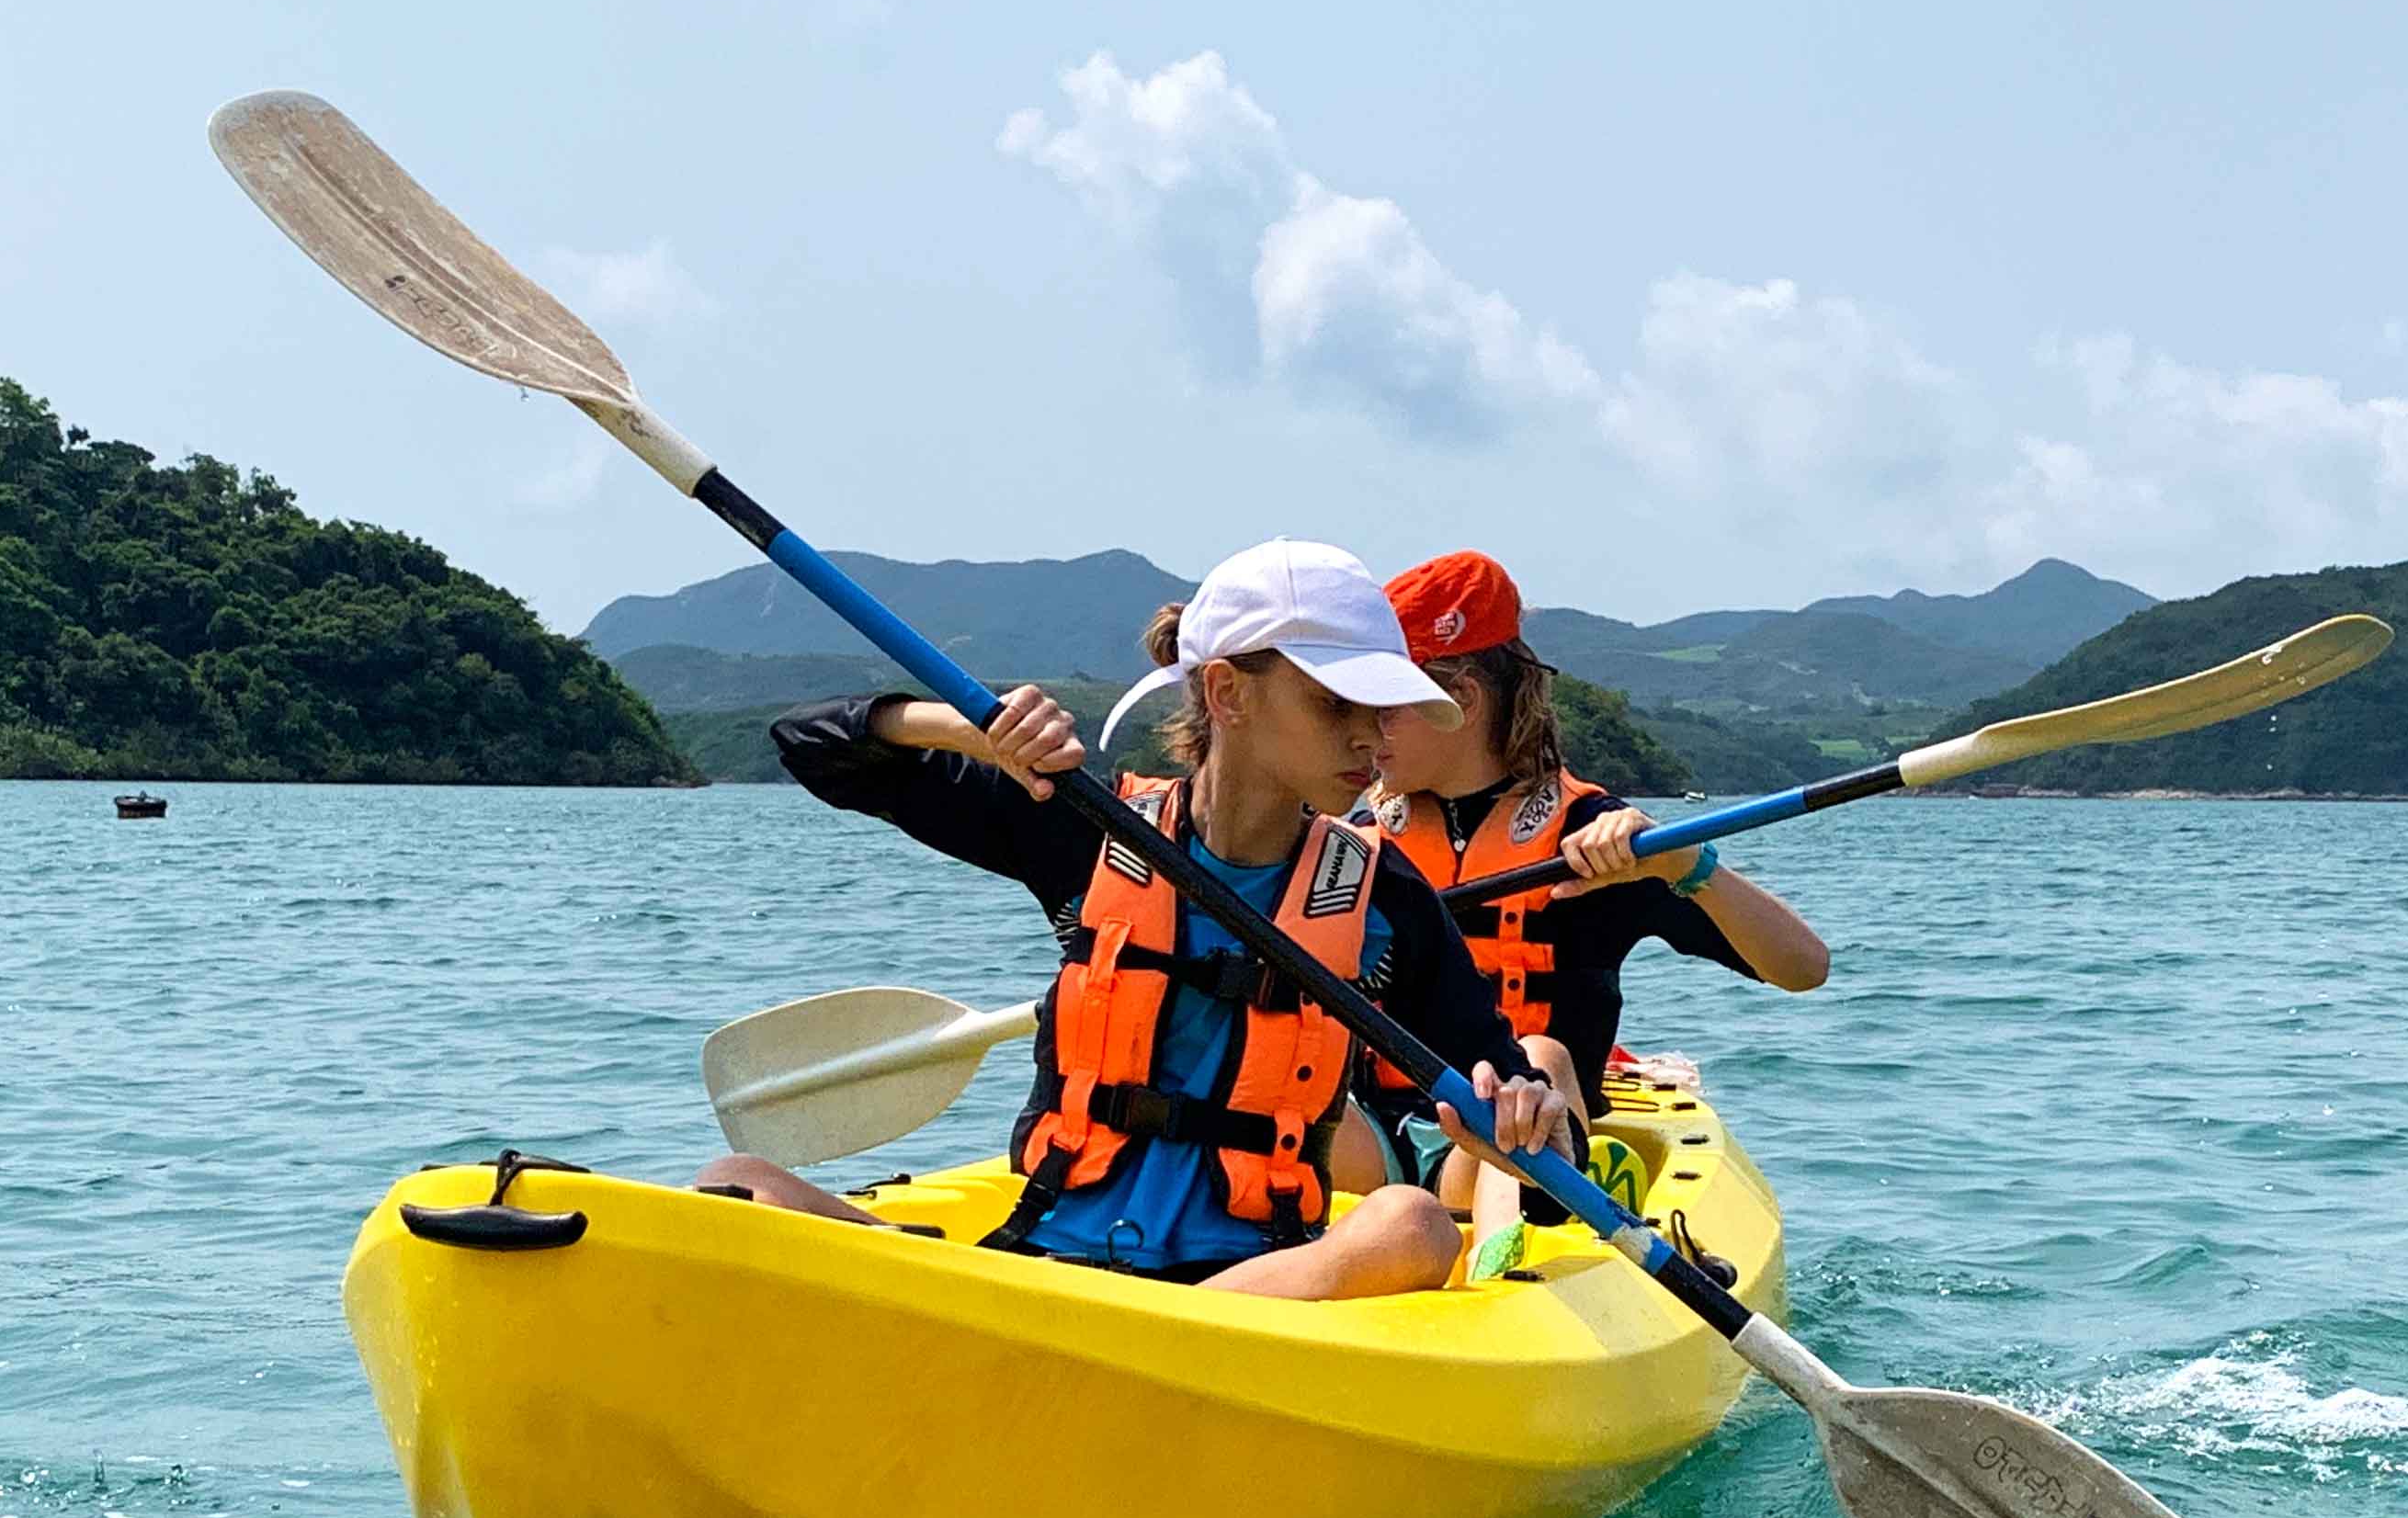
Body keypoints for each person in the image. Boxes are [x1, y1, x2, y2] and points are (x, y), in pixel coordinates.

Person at [709, 539, 1567, 1301]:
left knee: (1412, 1225)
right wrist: (981, 732)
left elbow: (1502, 1097)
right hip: (1045, 1258)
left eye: (1382, 710)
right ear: (1228, 693)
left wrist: (1513, 1114)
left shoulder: (1382, 897)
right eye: (1337, 705)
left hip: (1249, 1286)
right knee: (739, 1181)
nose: (1372, 740)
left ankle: (1130, 1332)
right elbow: (810, 743)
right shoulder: (1086, 828)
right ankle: (1058, 1322)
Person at [1335, 549, 1826, 1205]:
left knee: (1540, 1057)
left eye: (1386, 708)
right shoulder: (1354, 838)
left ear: (1461, 700)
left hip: (1508, 1151)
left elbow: (1803, 967)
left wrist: (1684, 863)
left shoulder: (1598, 840)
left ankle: (1509, 1255)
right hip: (1367, 1146)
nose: (1364, 732)